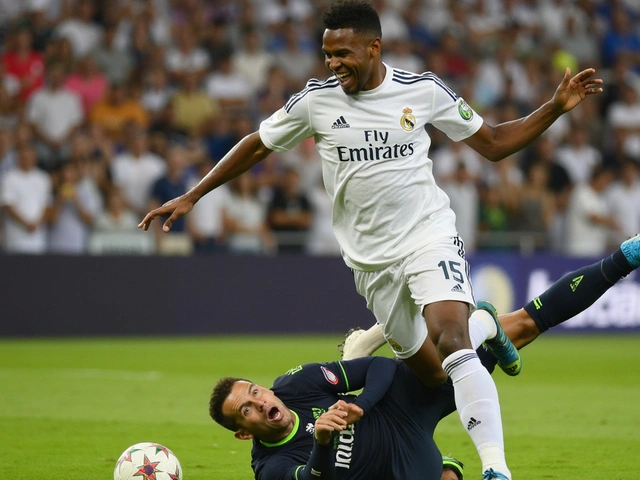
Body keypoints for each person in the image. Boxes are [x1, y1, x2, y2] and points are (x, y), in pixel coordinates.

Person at [139, 2, 603, 477]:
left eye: (342, 53)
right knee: (434, 372)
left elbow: (496, 143)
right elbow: (258, 143)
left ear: (373, 47)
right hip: (370, 264)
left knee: (451, 338)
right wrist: (193, 195)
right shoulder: (315, 102)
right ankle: (487, 324)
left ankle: (495, 468)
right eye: (327, 55)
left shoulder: (421, 90)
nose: (333, 64)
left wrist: (552, 108)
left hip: (428, 234)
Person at [210, 235, 640, 480]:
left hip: (405, 400)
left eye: (253, 391)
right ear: (243, 434)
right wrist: (322, 442)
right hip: (397, 469)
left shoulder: (294, 385)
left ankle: (625, 256)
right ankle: (477, 330)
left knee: (526, 324)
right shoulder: (271, 468)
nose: (259, 402)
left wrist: (360, 403)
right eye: (245, 410)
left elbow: (378, 369)